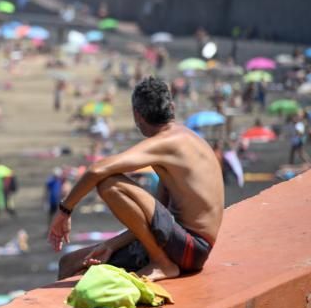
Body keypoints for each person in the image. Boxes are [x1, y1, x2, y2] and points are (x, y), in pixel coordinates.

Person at [50, 77, 224, 282]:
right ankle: (159, 259)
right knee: (70, 263)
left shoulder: (166, 142)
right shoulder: (185, 138)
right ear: (172, 108)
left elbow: (98, 170)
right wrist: (110, 245)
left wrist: (65, 211)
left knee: (109, 183)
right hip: (181, 242)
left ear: (137, 115)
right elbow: (155, 219)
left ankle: (162, 263)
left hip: (190, 248)